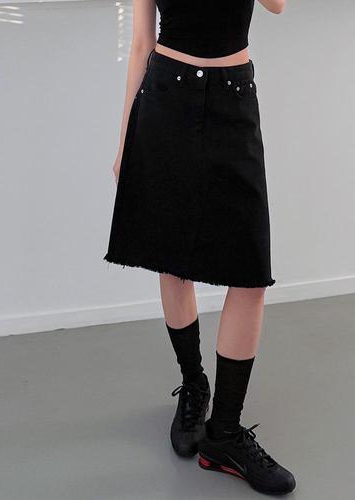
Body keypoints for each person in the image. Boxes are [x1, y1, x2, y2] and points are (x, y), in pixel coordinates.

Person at [103, 0, 296, 495]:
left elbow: (277, 5)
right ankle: (193, 386)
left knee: (250, 275)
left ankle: (224, 434)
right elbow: (141, 42)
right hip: (166, 98)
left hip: (234, 98)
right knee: (173, 264)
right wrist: (126, 137)